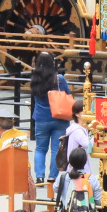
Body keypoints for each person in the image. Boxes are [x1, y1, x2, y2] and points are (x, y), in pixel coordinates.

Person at [27, 54, 70, 183]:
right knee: (57, 149)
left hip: (41, 118)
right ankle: (52, 176)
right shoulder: (59, 79)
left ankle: (39, 176)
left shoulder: (35, 78)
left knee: (40, 148)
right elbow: (68, 93)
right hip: (59, 117)